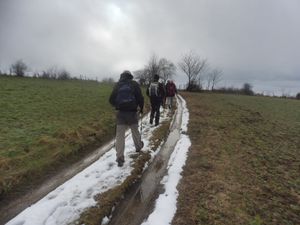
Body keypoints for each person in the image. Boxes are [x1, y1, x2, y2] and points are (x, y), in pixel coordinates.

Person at [109, 70, 144, 167]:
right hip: (132, 113)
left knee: (120, 135)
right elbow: (140, 98)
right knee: (135, 131)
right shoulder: (134, 84)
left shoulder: (118, 85)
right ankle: (138, 147)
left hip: (121, 113)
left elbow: (111, 99)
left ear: (122, 76)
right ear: (130, 76)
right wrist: (141, 108)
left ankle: (120, 157)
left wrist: (117, 106)